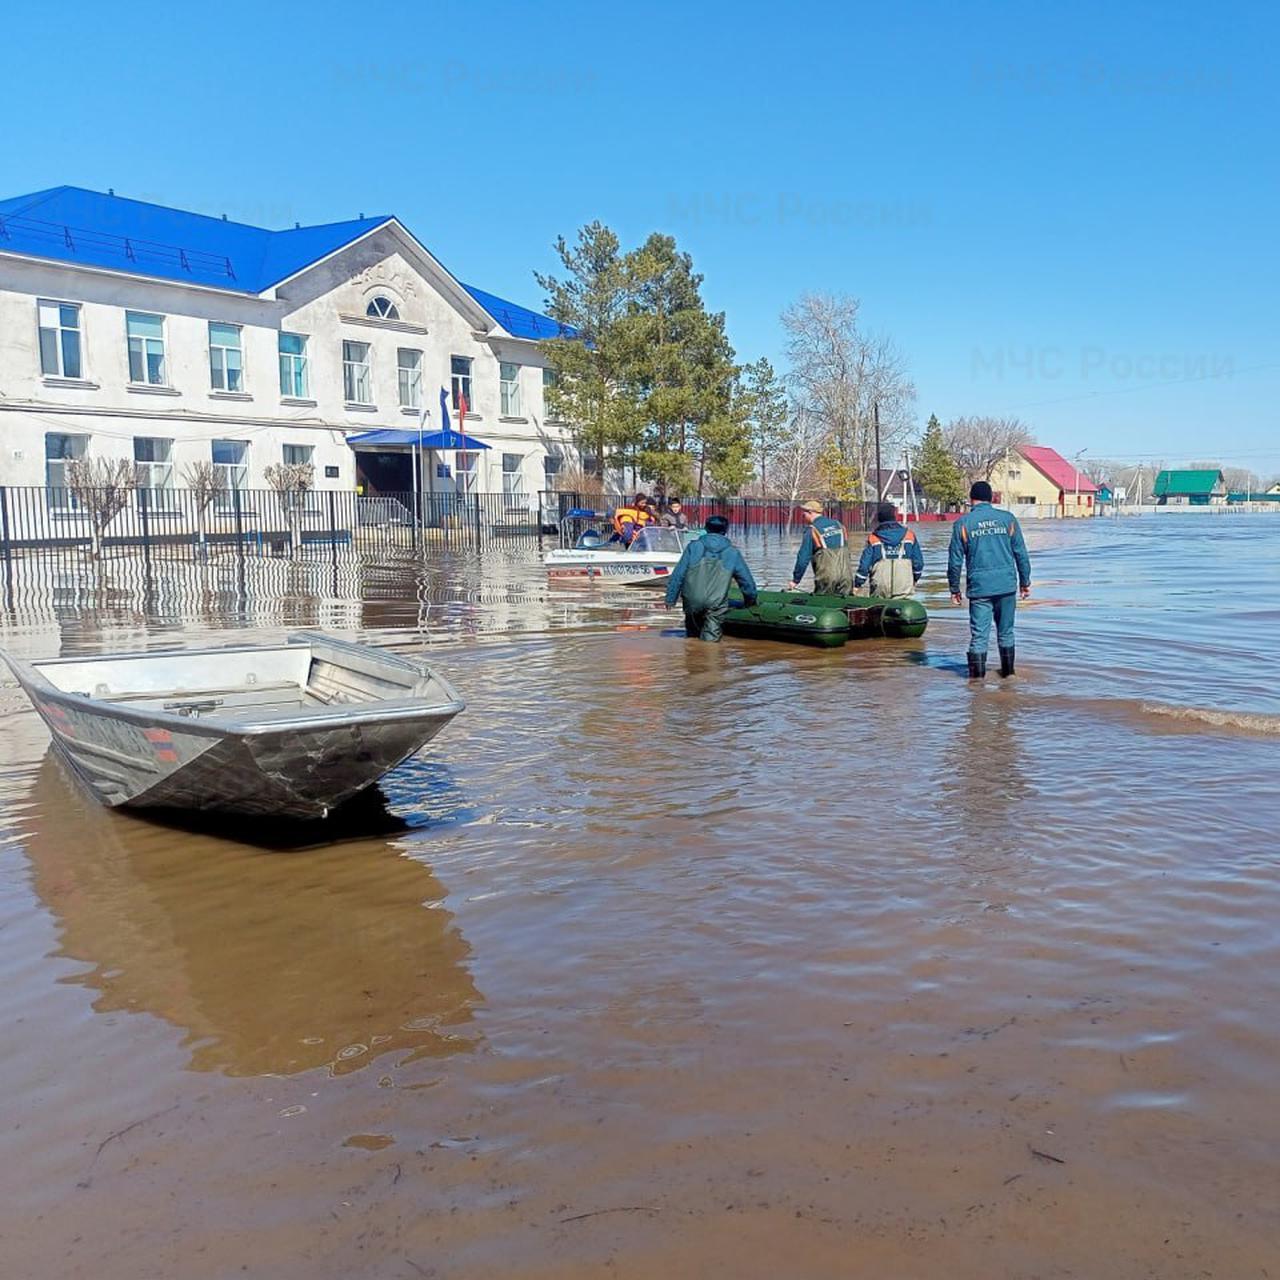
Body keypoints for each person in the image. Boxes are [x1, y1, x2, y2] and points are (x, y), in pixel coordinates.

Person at [947, 480, 1032, 680]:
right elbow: (1021, 554)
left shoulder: (963, 524)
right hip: (1006, 585)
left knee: (979, 637)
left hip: (980, 589)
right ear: (991, 498)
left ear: (971, 499)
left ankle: (976, 684)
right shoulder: (1008, 519)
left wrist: (954, 588)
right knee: (1006, 633)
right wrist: (1025, 582)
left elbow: (954, 561)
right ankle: (1009, 676)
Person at [665, 515, 758, 642]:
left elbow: (678, 574)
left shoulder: (693, 547)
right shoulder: (732, 552)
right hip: (716, 604)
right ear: (725, 530)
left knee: (691, 639)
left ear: (706, 528)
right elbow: (746, 582)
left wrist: (670, 598)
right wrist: (750, 601)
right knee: (710, 645)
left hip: (691, 601)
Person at [854, 502, 924, 597]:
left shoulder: (873, 538)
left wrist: (857, 585)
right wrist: (915, 579)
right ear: (894, 516)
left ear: (879, 518)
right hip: (904, 586)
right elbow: (918, 564)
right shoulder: (909, 536)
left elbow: (864, 566)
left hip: (880, 588)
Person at [786, 500, 853, 594]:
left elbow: (803, 558)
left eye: (804, 513)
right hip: (847, 577)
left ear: (810, 512)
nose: (803, 516)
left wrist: (795, 580)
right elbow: (847, 553)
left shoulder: (812, 530)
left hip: (827, 579)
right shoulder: (839, 526)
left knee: (824, 604)